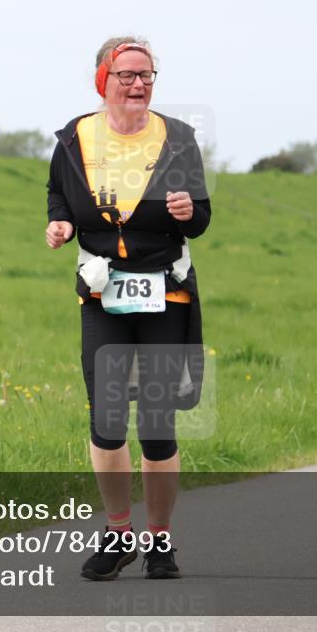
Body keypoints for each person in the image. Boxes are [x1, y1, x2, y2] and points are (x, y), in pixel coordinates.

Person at [45, 36, 210, 580]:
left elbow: (201, 215)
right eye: (127, 76)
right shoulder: (75, 137)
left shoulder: (179, 139)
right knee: (107, 420)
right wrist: (62, 224)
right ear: (103, 79)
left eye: (147, 75)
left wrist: (187, 212)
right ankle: (119, 534)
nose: (138, 85)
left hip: (164, 292)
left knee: (158, 426)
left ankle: (160, 542)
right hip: (102, 294)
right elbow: (58, 195)